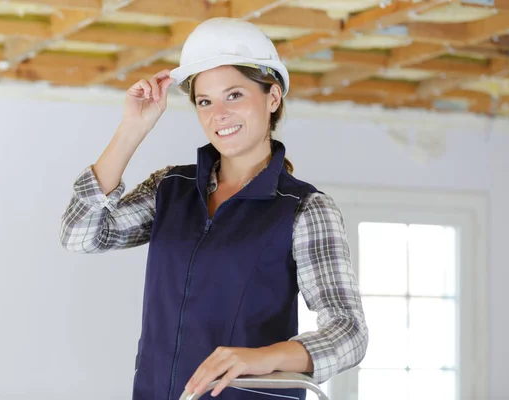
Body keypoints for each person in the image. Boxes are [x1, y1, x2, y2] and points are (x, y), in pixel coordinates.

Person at [60, 17, 368, 400]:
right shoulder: (171, 188)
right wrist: (131, 129)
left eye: (234, 95)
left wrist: (259, 358)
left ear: (273, 97)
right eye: (204, 101)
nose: (217, 113)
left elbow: (349, 333)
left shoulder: (304, 209)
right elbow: (80, 235)